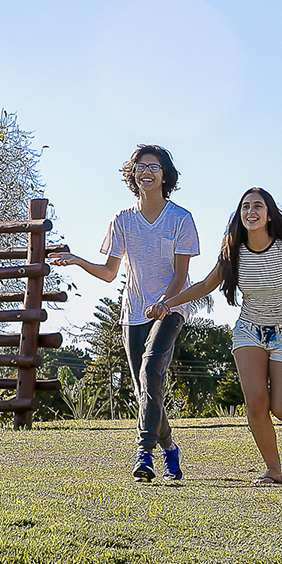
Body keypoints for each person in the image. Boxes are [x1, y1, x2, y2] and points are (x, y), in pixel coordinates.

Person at [146, 188, 282, 485]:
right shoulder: (233, 251)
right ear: (240, 214)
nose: (250, 211)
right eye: (245, 207)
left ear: (269, 214)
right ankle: (273, 470)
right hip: (249, 330)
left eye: (257, 206)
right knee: (256, 402)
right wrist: (168, 303)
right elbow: (206, 285)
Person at [49, 145, 199, 483]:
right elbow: (108, 272)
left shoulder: (181, 219)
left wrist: (164, 302)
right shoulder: (122, 220)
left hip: (171, 307)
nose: (147, 172)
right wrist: (77, 260)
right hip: (133, 312)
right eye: (141, 166)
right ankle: (170, 449)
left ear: (165, 176)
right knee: (144, 388)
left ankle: (144, 454)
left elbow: (180, 275)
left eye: (154, 167)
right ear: (132, 174)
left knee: (152, 372)